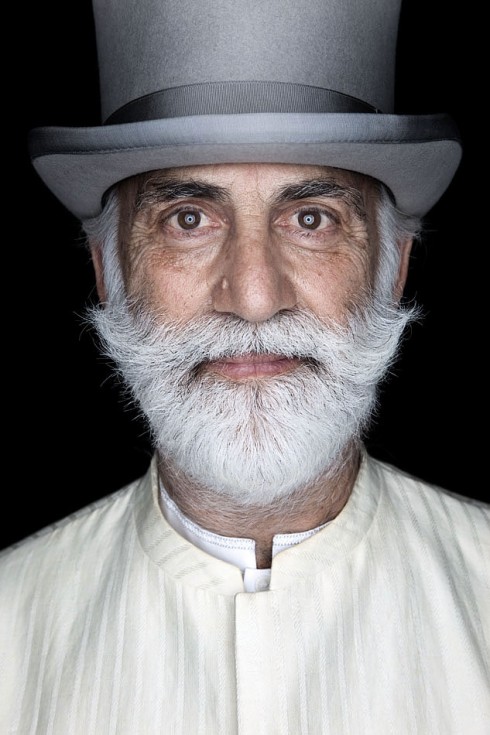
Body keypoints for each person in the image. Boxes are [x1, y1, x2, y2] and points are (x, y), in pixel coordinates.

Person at [2, 0, 489, 732]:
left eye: (311, 219)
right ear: (108, 270)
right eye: (189, 220)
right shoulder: (10, 626)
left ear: (393, 268)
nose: (255, 298)